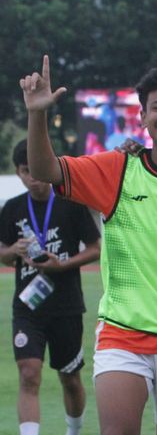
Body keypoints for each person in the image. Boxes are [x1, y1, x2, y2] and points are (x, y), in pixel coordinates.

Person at [20, 56, 157, 435]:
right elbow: (45, 169)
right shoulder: (118, 168)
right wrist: (37, 115)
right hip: (124, 334)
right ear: (142, 116)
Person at [0, 139, 101, 435]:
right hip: (27, 308)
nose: (33, 177)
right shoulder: (12, 209)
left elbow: (95, 248)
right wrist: (11, 252)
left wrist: (62, 265)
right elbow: (1, 251)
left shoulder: (70, 203)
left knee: (70, 378)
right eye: (25, 171)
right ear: (18, 172)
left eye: (37, 170)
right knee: (29, 374)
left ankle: (74, 431)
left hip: (66, 306)